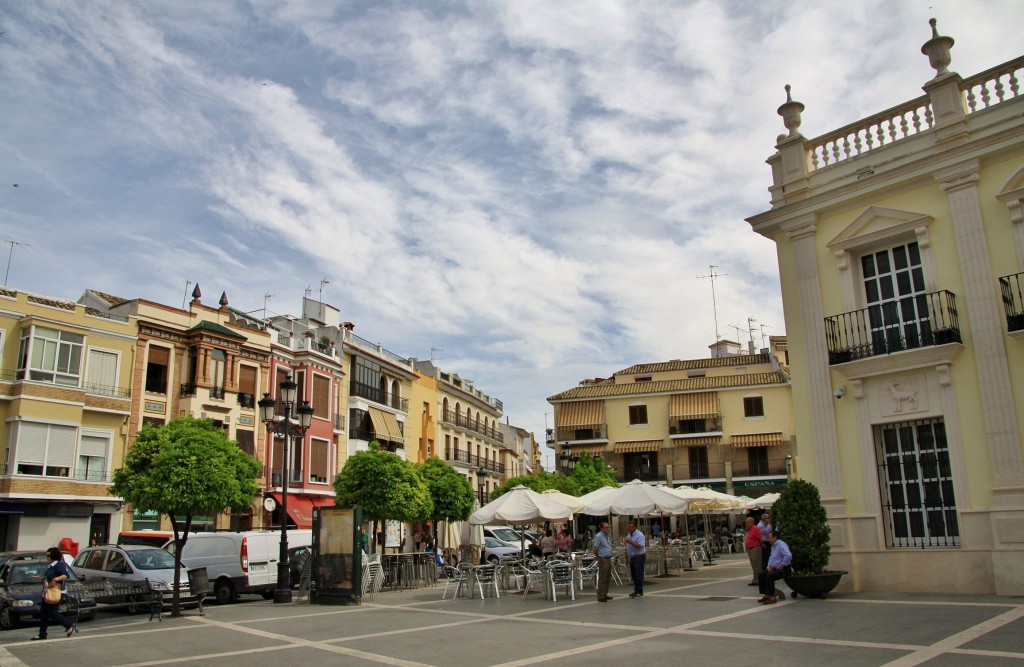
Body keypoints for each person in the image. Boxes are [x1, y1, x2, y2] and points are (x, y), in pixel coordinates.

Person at [34, 547, 75, 640]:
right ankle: (42, 634)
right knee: (44, 614)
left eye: (48, 555)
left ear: (53, 555)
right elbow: (48, 577)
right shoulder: (51, 566)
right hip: (47, 592)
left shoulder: (59, 564)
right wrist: (40, 578)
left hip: (55, 593)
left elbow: (65, 575)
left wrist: (56, 579)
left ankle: (69, 625)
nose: (47, 557)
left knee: (53, 613)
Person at [757, 530, 792, 604]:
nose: (768, 539)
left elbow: (788, 555)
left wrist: (782, 564)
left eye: (770, 537)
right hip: (774, 567)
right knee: (761, 575)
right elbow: (771, 557)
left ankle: (772, 597)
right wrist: (769, 566)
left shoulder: (781, 544)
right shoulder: (773, 545)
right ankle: (767, 594)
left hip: (783, 568)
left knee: (769, 576)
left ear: (775, 537)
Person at [624, 520, 646, 598]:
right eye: (628, 527)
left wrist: (631, 542)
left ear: (635, 527)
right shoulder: (628, 535)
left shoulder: (640, 535)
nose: (629, 528)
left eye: (630, 527)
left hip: (639, 556)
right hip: (632, 557)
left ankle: (640, 591)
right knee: (633, 574)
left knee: (638, 574)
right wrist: (626, 557)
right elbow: (626, 547)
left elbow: (640, 545)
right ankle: (636, 590)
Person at [592, 522, 613, 602]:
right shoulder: (598, 536)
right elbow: (595, 548)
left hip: (608, 557)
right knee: (603, 577)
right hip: (602, 557)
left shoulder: (607, 536)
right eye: (606, 527)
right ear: (601, 528)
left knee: (607, 577)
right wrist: (598, 556)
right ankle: (601, 595)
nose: (607, 529)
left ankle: (605, 593)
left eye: (608, 527)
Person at [744, 517, 763, 586]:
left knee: (757, 565)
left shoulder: (755, 528)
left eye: (747, 522)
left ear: (752, 522)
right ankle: (755, 579)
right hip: (751, 549)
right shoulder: (750, 529)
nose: (746, 524)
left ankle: (758, 580)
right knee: (754, 566)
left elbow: (760, 538)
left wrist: (762, 545)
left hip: (755, 548)